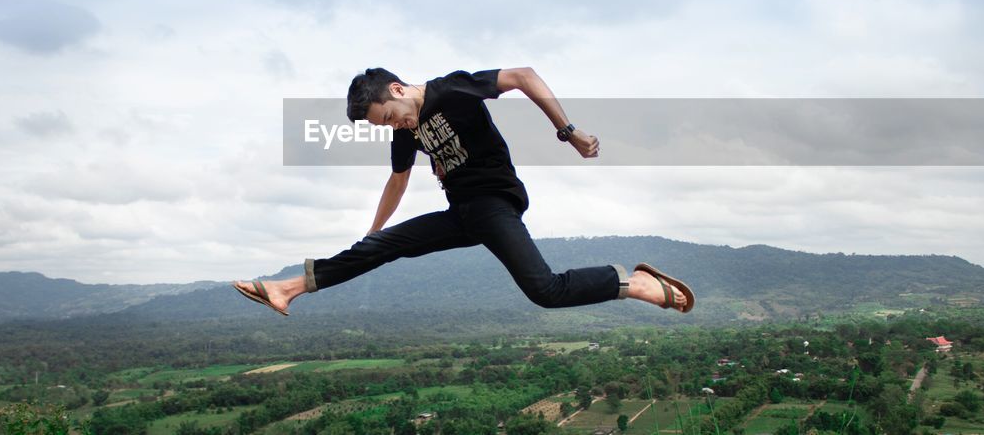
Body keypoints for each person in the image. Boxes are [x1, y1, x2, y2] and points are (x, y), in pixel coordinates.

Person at [234, 67, 693, 316]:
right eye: (387, 126)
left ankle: (635, 283)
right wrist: (372, 236)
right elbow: (398, 180)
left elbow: (524, 76)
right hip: (461, 213)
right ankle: (289, 288)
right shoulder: (406, 131)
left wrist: (567, 131)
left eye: (391, 116)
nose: (397, 126)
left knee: (546, 291)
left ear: (397, 89)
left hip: (495, 202)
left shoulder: (450, 90)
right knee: (379, 249)